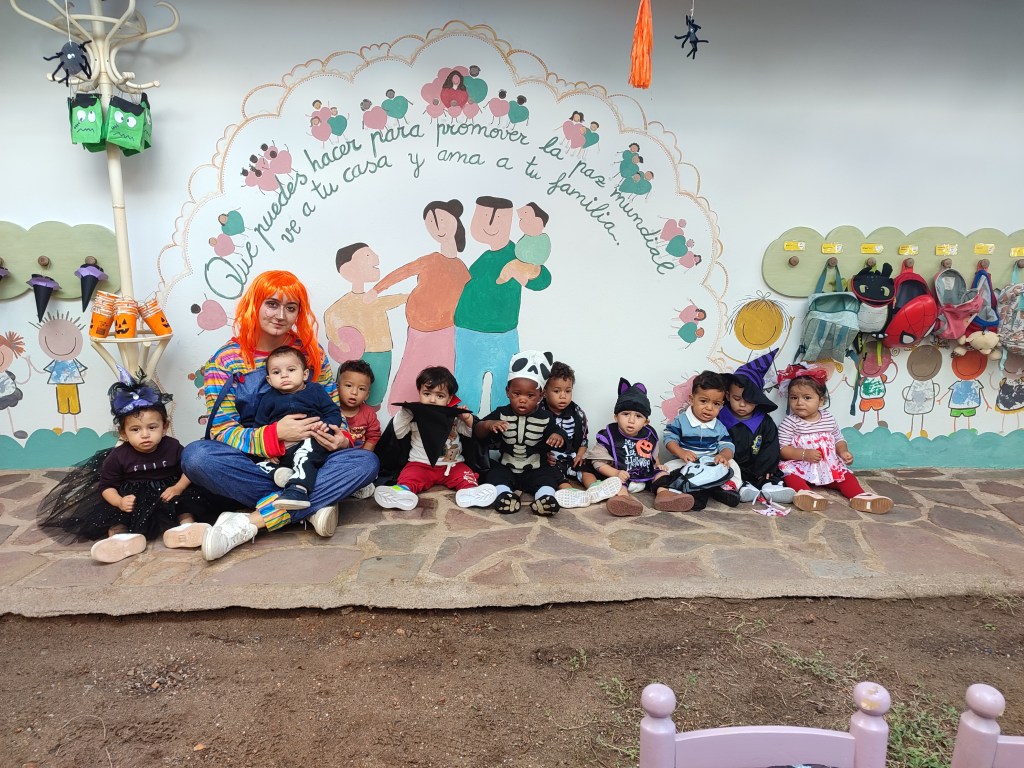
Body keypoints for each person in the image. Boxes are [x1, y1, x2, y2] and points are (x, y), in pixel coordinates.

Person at [182, 270, 380, 561]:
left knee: (365, 462)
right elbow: (221, 430)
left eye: (291, 308)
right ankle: (308, 505)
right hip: (258, 462)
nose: (280, 315)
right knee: (197, 457)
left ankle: (250, 522)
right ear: (255, 304)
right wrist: (275, 435)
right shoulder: (225, 360)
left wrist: (341, 438)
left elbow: (333, 410)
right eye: (272, 304)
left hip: (311, 454)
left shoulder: (311, 354)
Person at [38, 369, 218, 563]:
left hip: (169, 492)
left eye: (152, 427)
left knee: (185, 502)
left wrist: (178, 487)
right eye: (135, 429)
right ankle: (119, 539)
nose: (145, 435)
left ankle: (186, 528)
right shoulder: (118, 456)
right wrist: (118, 501)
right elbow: (106, 486)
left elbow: (188, 469)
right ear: (123, 433)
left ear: (164, 427)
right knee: (117, 514)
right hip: (134, 499)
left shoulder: (172, 446)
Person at [366, 200, 471, 411]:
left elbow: (470, 299)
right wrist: (377, 289)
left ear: (455, 221)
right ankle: (397, 410)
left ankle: (443, 413)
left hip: (447, 330)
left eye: (442, 220)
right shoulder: (431, 259)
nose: (437, 226)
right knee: (411, 367)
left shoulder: (462, 269)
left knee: (444, 373)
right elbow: (403, 272)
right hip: (420, 327)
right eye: (431, 222)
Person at [373, 366, 497, 511]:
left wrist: (467, 419)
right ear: (419, 392)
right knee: (409, 477)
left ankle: (471, 492)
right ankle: (401, 493)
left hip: (452, 465)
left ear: (449, 398)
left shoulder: (454, 418)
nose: (432, 400)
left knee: (466, 475)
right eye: (427, 394)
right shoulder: (414, 417)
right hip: (420, 465)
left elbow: (470, 433)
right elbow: (398, 433)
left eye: (440, 396)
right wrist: (405, 413)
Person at [776, 364, 893, 514]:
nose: (799, 403)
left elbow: (838, 439)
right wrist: (804, 454)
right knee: (789, 476)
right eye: (794, 398)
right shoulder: (790, 422)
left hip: (828, 467)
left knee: (846, 477)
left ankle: (859, 496)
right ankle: (806, 495)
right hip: (801, 466)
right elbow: (782, 449)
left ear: (821, 401)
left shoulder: (828, 419)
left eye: (807, 398)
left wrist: (843, 452)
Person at [582, 378, 693, 516]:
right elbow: (597, 462)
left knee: (662, 473)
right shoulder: (609, 435)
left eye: (638, 416)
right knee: (614, 483)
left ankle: (664, 495)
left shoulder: (649, 435)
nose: (631, 420)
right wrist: (615, 473)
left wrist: (658, 465)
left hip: (644, 475)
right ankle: (624, 500)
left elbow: (653, 456)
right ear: (616, 417)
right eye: (625, 414)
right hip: (621, 476)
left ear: (646, 422)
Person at [474, 350, 566, 516]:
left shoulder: (546, 417)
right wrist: (488, 424)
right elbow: (478, 431)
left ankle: (545, 499)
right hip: (507, 467)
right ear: (507, 391)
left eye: (530, 395)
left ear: (540, 395)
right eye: (517, 394)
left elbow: (559, 432)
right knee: (494, 474)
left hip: (536, 468)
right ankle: (504, 496)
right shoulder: (501, 413)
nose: (522, 399)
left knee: (548, 477)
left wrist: (558, 436)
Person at [253, 346, 344, 512]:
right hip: (282, 450)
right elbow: (259, 427)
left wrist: (325, 425)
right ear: (269, 380)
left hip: (313, 442)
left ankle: (298, 490)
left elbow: (333, 412)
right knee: (256, 464)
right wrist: (269, 450)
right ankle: (280, 473)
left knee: (309, 453)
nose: (284, 375)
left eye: (291, 370)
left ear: (305, 374)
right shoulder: (267, 399)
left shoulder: (315, 390)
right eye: (276, 372)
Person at [541, 362, 621, 509]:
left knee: (585, 466)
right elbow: (534, 439)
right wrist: (543, 455)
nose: (563, 396)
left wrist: (580, 454)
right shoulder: (539, 413)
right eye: (557, 391)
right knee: (551, 473)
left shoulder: (577, 413)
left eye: (568, 391)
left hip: (572, 456)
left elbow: (584, 439)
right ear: (544, 392)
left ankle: (595, 488)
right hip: (550, 459)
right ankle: (570, 492)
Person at [720, 349, 794, 505]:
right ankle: (741, 487)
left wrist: (766, 469)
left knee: (769, 475)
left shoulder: (765, 422)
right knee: (725, 476)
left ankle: (770, 487)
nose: (742, 404)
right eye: (737, 398)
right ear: (727, 395)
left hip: (758, 469)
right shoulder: (720, 419)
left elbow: (770, 447)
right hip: (730, 466)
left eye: (749, 400)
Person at [662, 370, 741, 510]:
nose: (709, 408)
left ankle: (727, 488)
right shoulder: (681, 421)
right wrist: (681, 452)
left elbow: (727, 445)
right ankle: (677, 491)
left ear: (721, 405)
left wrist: (724, 455)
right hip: (686, 461)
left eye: (716, 404)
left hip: (711, 462)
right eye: (703, 401)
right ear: (692, 400)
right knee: (664, 470)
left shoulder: (719, 426)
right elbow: (669, 439)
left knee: (733, 465)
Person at [336, 359, 381, 452]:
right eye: (349, 386)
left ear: (367, 395)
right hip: (333, 453)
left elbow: (373, 437)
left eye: (361, 389)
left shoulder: (369, 414)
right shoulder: (330, 409)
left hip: (358, 455)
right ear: (337, 388)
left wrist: (364, 455)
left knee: (372, 459)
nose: (354, 392)